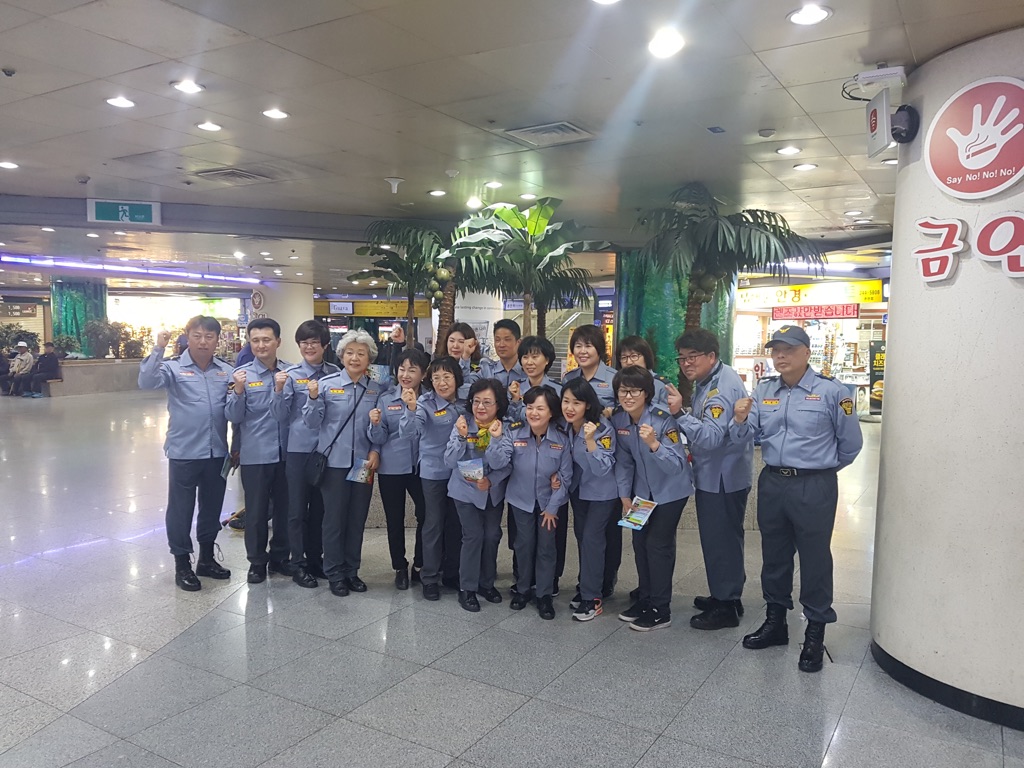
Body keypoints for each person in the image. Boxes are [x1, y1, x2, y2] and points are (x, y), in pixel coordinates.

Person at [731, 324, 863, 673]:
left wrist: (819, 470)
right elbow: (750, 434)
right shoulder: (764, 390)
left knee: (815, 558)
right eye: (776, 350)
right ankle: (776, 622)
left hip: (814, 485)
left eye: (788, 349)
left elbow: (851, 444)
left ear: (806, 352)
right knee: (774, 555)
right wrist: (740, 419)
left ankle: (815, 632)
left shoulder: (833, 391)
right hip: (773, 482)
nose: (780, 356)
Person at [666, 329, 754, 630]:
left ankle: (725, 606)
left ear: (711, 356)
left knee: (720, 542)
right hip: (721, 474)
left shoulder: (721, 389)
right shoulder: (712, 380)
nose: (686, 364)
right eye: (682, 358)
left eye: (693, 357)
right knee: (725, 540)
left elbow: (712, 438)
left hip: (722, 478)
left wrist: (680, 415)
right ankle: (727, 594)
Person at [138, 317, 234, 592]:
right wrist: (158, 348)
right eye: (197, 336)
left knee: (212, 507)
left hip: (217, 452)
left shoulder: (226, 371)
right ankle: (182, 564)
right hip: (184, 452)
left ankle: (206, 559)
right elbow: (146, 381)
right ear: (187, 337)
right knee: (181, 510)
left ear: (217, 340)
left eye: (209, 336)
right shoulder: (173, 367)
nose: (203, 342)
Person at [302, 329, 386, 597]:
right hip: (334, 464)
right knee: (334, 519)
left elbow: (379, 429)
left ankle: (352, 571)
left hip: (362, 464)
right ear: (340, 355)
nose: (355, 358)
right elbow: (311, 422)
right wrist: (312, 398)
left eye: (361, 353)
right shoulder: (326, 385)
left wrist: (375, 450)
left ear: (369, 359)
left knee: (356, 518)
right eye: (350, 352)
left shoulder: (375, 389)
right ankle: (334, 573)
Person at [613, 366, 693, 631]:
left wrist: (654, 445)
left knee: (658, 546)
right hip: (641, 493)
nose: (628, 396)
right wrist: (624, 494)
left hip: (671, 492)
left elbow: (677, 465)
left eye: (634, 391)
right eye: (623, 391)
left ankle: (661, 609)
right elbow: (624, 461)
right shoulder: (621, 420)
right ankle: (645, 599)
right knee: (640, 544)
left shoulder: (663, 419)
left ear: (646, 393)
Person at [490, 385, 573, 620]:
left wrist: (553, 508)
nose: (533, 413)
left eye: (540, 408)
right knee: (523, 546)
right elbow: (498, 463)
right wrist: (495, 441)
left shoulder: (561, 438)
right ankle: (523, 589)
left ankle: (544, 594)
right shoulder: (514, 433)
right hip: (520, 501)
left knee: (547, 548)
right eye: (529, 407)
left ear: (551, 412)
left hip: (549, 504)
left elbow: (566, 477)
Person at [271, 320, 339, 588]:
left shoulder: (335, 374)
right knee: (297, 510)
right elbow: (280, 415)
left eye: (314, 342)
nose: (309, 347)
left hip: (326, 451)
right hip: (299, 451)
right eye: (304, 343)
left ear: (325, 345)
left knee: (321, 510)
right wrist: (278, 390)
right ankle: (297, 563)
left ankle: (315, 559)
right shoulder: (289, 375)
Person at [225, 318, 293, 584]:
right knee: (256, 512)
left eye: (266, 339)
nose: (261, 345)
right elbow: (233, 416)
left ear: (278, 341)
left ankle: (280, 558)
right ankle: (256, 561)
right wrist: (238, 391)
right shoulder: (241, 375)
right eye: (255, 340)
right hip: (256, 455)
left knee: (285, 510)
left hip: (286, 454)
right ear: (249, 343)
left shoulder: (290, 373)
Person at [399, 356, 465, 600]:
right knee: (433, 524)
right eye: (436, 378)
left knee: (456, 524)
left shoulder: (465, 402)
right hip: (434, 474)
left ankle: (452, 574)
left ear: (457, 378)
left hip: (461, 473)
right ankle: (429, 578)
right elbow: (409, 432)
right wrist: (410, 409)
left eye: (447, 376)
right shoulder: (424, 403)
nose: (441, 382)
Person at [444, 378, 512, 612]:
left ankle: (486, 583)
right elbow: (449, 461)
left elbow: (504, 464)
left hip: (491, 492)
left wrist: (495, 440)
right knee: (473, 536)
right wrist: (462, 437)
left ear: (498, 405)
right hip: (464, 491)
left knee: (492, 535)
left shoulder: (504, 428)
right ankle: (467, 588)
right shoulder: (462, 423)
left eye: (487, 402)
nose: (480, 407)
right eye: (476, 401)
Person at [507, 335, 567, 594]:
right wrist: (515, 402)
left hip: (551, 469)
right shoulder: (514, 388)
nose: (529, 362)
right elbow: (509, 422)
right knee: (522, 539)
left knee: (549, 540)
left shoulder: (558, 390)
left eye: (535, 356)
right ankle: (522, 583)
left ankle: (547, 585)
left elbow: (564, 427)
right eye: (525, 356)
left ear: (547, 360)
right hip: (522, 472)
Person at [368, 347, 430, 590]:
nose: (405, 375)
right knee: (394, 519)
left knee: (426, 514)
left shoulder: (430, 400)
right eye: (402, 369)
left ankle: (420, 564)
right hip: (391, 468)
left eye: (412, 370)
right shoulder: (386, 399)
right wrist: (375, 425)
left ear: (423, 374)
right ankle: (399, 567)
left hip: (421, 468)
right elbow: (379, 437)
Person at [561, 377, 617, 621]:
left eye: (577, 402)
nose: (570, 407)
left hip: (602, 493)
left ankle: (592, 598)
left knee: (593, 540)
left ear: (588, 405)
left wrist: (591, 441)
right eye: (566, 401)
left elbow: (603, 468)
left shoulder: (602, 428)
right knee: (583, 538)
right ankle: (587, 586)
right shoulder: (566, 426)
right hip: (578, 491)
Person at [563, 325, 617, 410]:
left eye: (588, 346)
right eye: (578, 346)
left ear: (599, 349)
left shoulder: (614, 378)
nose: (582, 351)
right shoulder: (569, 378)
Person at [614, 335, 670, 408]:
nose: (629, 362)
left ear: (646, 357)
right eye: (624, 358)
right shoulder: (618, 383)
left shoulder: (661, 385)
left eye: (634, 356)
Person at [480, 319, 527, 391]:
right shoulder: (487, 370)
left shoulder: (528, 371)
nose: (501, 345)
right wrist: (466, 356)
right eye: (497, 340)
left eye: (507, 340)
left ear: (518, 342)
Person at [444, 322, 481, 398]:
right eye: (451, 341)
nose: (455, 346)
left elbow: (465, 388)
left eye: (461, 342)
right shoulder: (439, 364)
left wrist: (465, 357)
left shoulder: (480, 365)